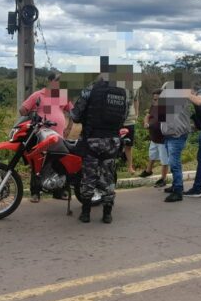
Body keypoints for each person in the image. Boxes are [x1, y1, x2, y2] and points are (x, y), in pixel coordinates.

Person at [70, 73, 128, 223]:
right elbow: (124, 117)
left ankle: (86, 214)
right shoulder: (122, 93)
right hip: (112, 142)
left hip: (92, 141)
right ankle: (107, 214)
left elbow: (75, 116)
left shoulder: (90, 90)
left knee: (88, 177)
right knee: (108, 177)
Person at [19, 71, 74, 202]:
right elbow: (23, 109)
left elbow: (73, 112)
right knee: (38, 163)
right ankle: (35, 193)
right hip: (40, 136)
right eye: (58, 80)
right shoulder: (38, 95)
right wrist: (28, 111)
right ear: (50, 81)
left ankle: (59, 191)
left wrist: (69, 127)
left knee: (59, 162)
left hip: (58, 137)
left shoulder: (63, 96)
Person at [160, 80, 192, 202]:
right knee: (173, 163)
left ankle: (178, 190)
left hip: (176, 136)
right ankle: (175, 185)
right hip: (169, 136)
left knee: (174, 163)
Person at [138, 89, 169, 188]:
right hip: (154, 137)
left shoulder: (167, 108)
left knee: (164, 160)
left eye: (157, 99)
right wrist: (146, 122)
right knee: (152, 155)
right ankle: (148, 171)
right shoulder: (154, 106)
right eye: (154, 99)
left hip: (163, 139)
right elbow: (147, 116)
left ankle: (163, 179)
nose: (155, 101)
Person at [122, 82, 139, 175]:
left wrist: (136, 114)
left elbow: (136, 100)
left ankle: (130, 167)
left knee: (129, 145)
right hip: (118, 120)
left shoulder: (135, 87)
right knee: (114, 144)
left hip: (130, 120)